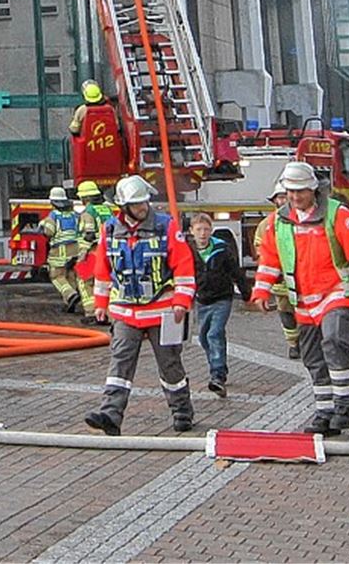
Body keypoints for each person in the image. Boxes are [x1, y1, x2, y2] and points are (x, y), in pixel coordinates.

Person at [251, 161, 349, 435]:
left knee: (334, 342)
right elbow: (270, 258)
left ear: (314, 190)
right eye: (290, 192)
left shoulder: (338, 215)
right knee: (312, 356)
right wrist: (261, 289)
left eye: (300, 191)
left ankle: (346, 404)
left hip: (336, 292)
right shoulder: (279, 221)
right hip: (303, 300)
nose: (295, 197)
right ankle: (324, 411)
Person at [84, 174, 196, 436]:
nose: (143, 208)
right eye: (137, 205)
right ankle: (111, 414)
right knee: (120, 363)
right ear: (124, 208)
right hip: (125, 312)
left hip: (164, 312)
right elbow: (103, 270)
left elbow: (184, 267)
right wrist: (100, 303)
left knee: (170, 365)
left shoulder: (166, 227)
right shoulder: (110, 231)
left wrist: (181, 301)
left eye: (144, 202)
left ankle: (181, 411)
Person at [189, 212, 250, 398]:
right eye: (199, 229)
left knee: (214, 333)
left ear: (212, 230)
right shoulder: (188, 250)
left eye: (206, 229)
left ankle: (218, 374)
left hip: (222, 298)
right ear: (191, 231)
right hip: (201, 299)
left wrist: (247, 293)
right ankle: (216, 365)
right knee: (204, 338)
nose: (203, 233)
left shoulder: (221, 249)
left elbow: (235, 271)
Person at [252, 186, 301, 359]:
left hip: (301, 280)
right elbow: (261, 253)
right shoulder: (266, 225)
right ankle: (293, 344)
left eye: (283, 197)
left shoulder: (301, 220)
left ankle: (307, 341)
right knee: (286, 313)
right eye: (278, 198)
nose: (281, 201)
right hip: (281, 281)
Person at [75, 179, 115, 321]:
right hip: (109, 250)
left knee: (84, 280)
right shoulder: (107, 209)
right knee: (105, 282)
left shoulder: (88, 212)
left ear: (84, 198)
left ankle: (92, 312)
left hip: (94, 252)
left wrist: (82, 255)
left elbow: (89, 235)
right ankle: (107, 313)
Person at [37, 186, 80, 312]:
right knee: (70, 275)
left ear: (52, 202)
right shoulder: (74, 214)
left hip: (60, 251)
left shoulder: (53, 216)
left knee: (57, 276)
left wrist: (42, 227)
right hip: (76, 250)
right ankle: (70, 303)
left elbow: (49, 232)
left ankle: (70, 295)